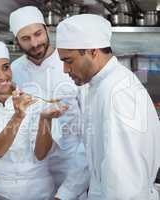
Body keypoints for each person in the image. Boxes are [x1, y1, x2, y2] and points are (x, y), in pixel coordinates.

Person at [56, 14, 160, 200]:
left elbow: (124, 183)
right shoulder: (97, 87)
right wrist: (64, 194)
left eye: (68, 61)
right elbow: (89, 153)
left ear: (93, 52)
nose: (65, 69)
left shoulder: (118, 94)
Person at [0, 41, 69, 200]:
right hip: (3, 192)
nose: (2, 76)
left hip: (41, 190)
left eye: (5, 67)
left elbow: (41, 154)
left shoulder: (37, 99)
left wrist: (45, 119)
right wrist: (17, 116)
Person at [9, 6, 89, 200]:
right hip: (32, 170)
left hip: (72, 163)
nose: (35, 43)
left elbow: (90, 127)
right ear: (16, 41)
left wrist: (71, 188)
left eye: (38, 34)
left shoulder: (72, 63)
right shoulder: (14, 70)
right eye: (26, 39)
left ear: (47, 30)